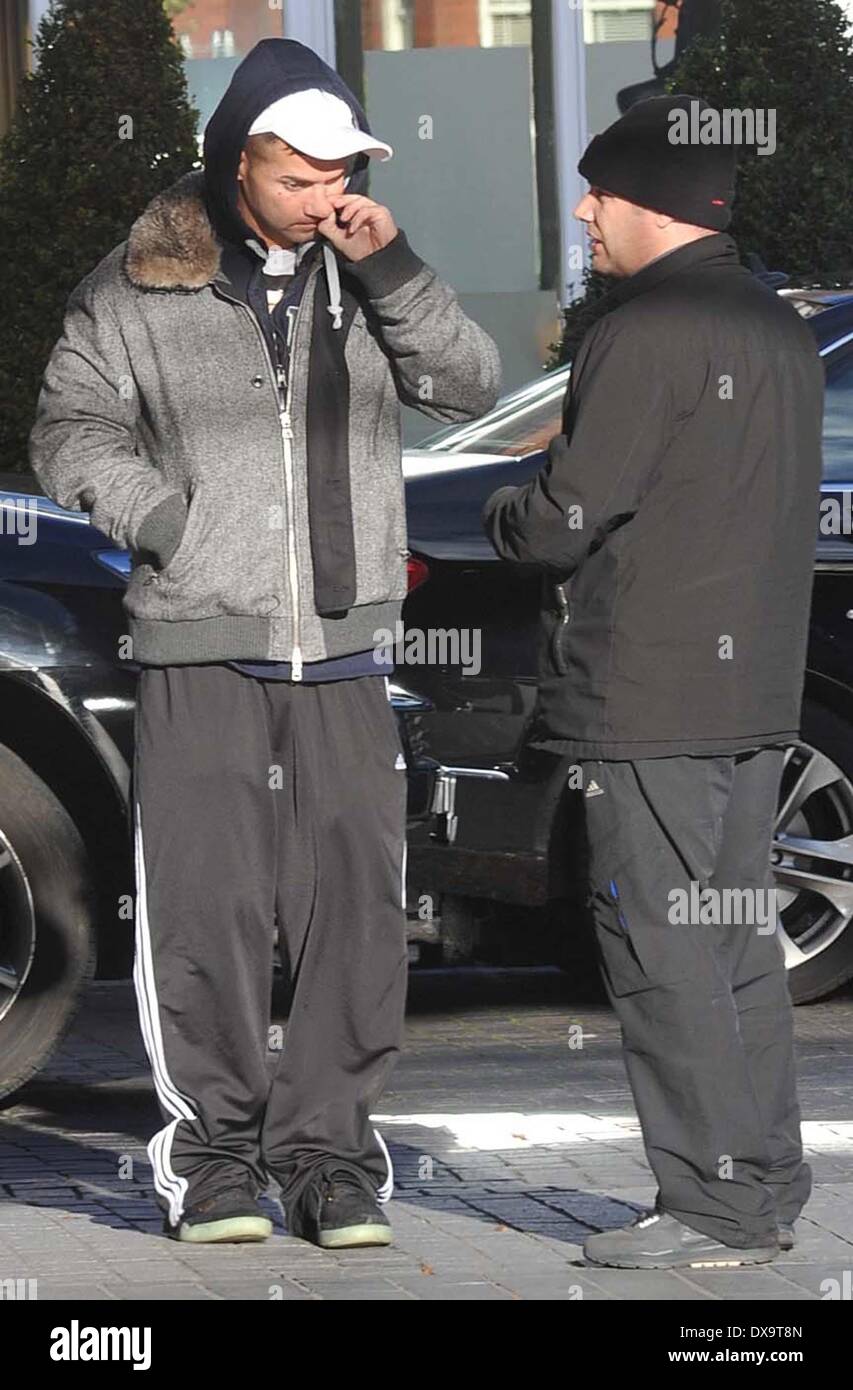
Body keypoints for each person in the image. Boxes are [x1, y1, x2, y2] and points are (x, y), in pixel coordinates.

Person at [30, 38, 501, 1249]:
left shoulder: (368, 270)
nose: (325, 195)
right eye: (302, 177)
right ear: (240, 163)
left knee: (354, 914)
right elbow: (69, 431)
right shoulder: (138, 283)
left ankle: (334, 1158)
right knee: (209, 914)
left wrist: (386, 261)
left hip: (343, 650)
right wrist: (166, 521)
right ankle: (217, 1160)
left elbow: (469, 377)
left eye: (342, 172)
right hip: (201, 641)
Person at [483, 95, 823, 1270]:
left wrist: (503, 505)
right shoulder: (778, 326)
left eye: (599, 194)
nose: (584, 212)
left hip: (647, 705)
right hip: (750, 701)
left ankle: (710, 1210)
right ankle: (762, 1189)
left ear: (655, 207)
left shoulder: (643, 330)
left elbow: (564, 518)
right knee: (734, 948)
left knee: (664, 955)